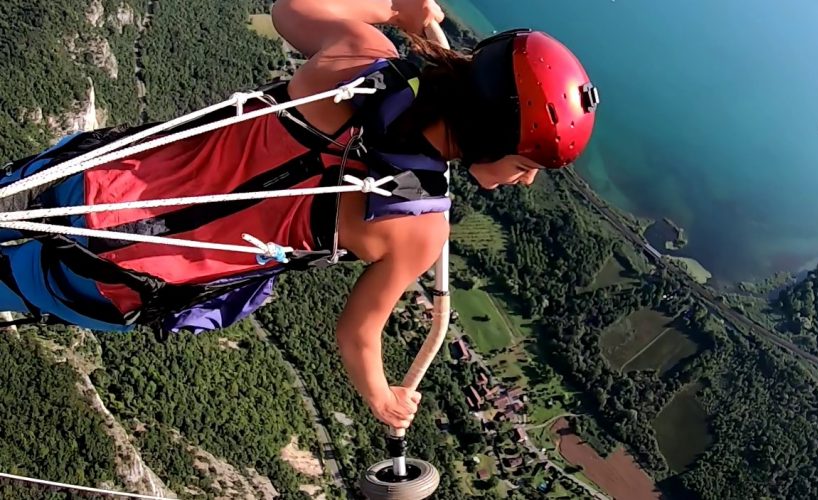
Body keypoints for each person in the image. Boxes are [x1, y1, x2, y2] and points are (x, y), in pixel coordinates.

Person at [0, 0, 599, 430]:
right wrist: (383, 399)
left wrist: (395, 9)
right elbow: (357, 334)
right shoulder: (420, 223)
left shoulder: (364, 56)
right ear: (491, 135)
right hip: (108, 275)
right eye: (528, 162)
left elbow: (290, 10)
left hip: (89, 178)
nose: (526, 179)